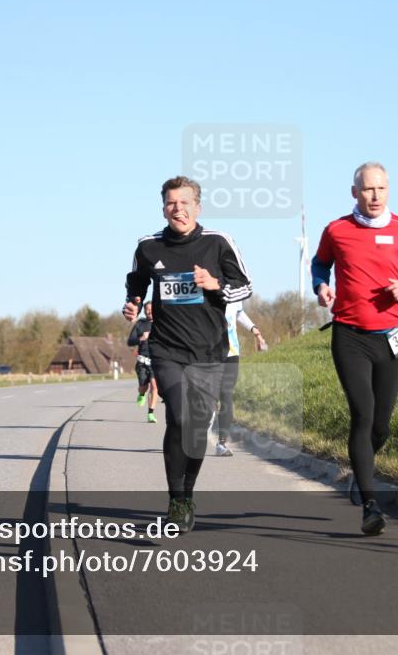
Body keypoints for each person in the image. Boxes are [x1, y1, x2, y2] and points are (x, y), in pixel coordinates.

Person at [311, 162, 398, 535]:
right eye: (367, 189)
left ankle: (361, 472)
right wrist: (321, 286)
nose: (374, 196)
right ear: (354, 192)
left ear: (389, 190)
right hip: (350, 334)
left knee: (382, 425)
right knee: (363, 414)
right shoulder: (337, 230)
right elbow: (320, 266)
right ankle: (371, 505)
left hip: (392, 336)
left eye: (381, 189)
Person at [123, 175, 252, 533]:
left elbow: (246, 287)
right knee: (179, 417)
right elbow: (136, 283)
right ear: (163, 207)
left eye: (184, 203)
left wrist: (216, 285)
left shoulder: (218, 243)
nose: (176, 209)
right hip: (167, 348)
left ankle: (187, 494)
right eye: (170, 203)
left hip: (210, 351)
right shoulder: (148, 247)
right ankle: (176, 499)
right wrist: (132, 303)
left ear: (198, 206)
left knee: (195, 427)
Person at [213, 301, 268, 457]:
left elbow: (239, 312)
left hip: (231, 352)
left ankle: (221, 443)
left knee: (226, 395)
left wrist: (254, 329)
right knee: (209, 395)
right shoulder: (203, 289)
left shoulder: (235, 292)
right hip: (208, 353)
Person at [127, 301, 159, 423]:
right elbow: (130, 341)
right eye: (147, 310)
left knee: (155, 386)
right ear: (144, 311)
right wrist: (141, 338)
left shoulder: (161, 324)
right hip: (142, 362)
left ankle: (150, 413)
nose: (149, 312)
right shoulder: (140, 324)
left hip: (155, 361)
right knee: (143, 387)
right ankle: (141, 394)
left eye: (152, 309)